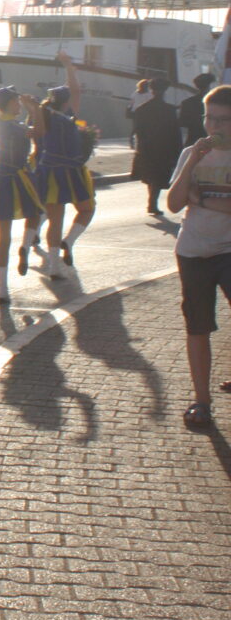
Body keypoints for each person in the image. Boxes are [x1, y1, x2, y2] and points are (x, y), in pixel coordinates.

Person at [166, 84, 231, 426]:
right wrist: (193, 159)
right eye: (209, 118)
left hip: (228, 249)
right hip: (192, 251)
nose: (214, 127)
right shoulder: (191, 153)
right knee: (198, 326)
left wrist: (201, 198)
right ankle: (201, 401)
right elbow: (174, 203)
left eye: (223, 120)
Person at [0, 87, 44, 306]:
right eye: (16, 102)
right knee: (34, 214)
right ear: (7, 105)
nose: (19, 105)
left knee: (4, 236)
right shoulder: (13, 127)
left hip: (1, 178)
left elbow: (32, 130)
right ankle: (24, 246)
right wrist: (35, 109)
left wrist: (31, 110)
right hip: (18, 177)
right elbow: (39, 132)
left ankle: (2, 289)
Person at [31, 51, 95, 277]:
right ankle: (69, 241)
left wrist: (32, 107)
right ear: (65, 101)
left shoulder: (44, 115)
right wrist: (68, 65)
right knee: (87, 209)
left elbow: (36, 136)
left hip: (49, 170)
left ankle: (54, 267)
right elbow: (75, 90)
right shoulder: (67, 114)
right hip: (71, 171)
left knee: (55, 220)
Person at [130, 76, 182, 216]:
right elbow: (175, 132)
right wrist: (178, 150)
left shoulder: (141, 109)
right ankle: (152, 203)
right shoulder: (169, 110)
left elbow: (138, 130)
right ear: (164, 91)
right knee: (158, 176)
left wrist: (139, 147)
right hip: (164, 148)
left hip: (146, 147)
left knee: (150, 176)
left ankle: (152, 202)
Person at [180, 73, 216, 145]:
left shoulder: (187, 102)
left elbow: (182, 122)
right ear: (209, 85)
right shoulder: (216, 103)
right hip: (211, 140)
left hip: (193, 140)